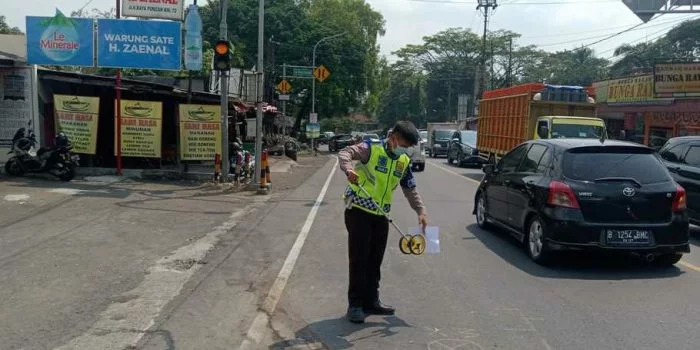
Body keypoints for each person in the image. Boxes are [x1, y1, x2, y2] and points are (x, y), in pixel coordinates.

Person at [338, 121, 428, 324]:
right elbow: (345, 153)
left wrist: (421, 210)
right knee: (359, 259)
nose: (406, 149)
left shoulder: (402, 160)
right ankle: (355, 305)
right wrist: (349, 169)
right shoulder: (371, 148)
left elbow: (410, 188)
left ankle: (371, 301)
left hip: (381, 215)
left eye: (409, 147)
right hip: (358, 211)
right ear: (394, 138)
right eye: (404, 145)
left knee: (375, 260)